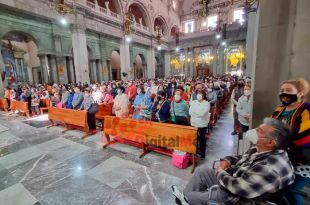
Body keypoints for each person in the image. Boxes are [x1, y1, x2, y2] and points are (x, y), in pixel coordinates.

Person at [172, 118, 295, 205]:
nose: (254, 131)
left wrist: (220, 172)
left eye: (259, 131)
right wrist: (227, 160)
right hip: (234, 178)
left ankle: (188, 199)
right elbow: (241, 157)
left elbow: (238, 188)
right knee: (202, 172)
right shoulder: (260, 148)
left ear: (271, 142)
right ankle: (187, 201)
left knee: (192, 196)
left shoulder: (271, 168)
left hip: (240, 198)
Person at [271, 78, 310, 205]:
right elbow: (270, 128)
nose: (284, 93)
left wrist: (283, 141)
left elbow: (305, 138)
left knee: (293, 190)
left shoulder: (306, 110)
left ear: (300, 93)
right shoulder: (279, 109)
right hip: (283, 156)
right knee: (281, 190)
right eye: (282, 90)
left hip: (303, 159)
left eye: (288, 90)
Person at [189, 91, 210, 160]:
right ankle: (195, 151)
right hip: (194, 123)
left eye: (200, 94)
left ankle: (202, 153)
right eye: (198, 94)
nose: (198, 95)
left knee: (202, 139)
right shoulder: (194, 102)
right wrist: (197, 113)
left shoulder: (206, 103)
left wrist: (195, 113)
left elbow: (202, 114)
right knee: (195, 138)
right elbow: (190, 112)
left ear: (203, 96)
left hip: (202, 124)